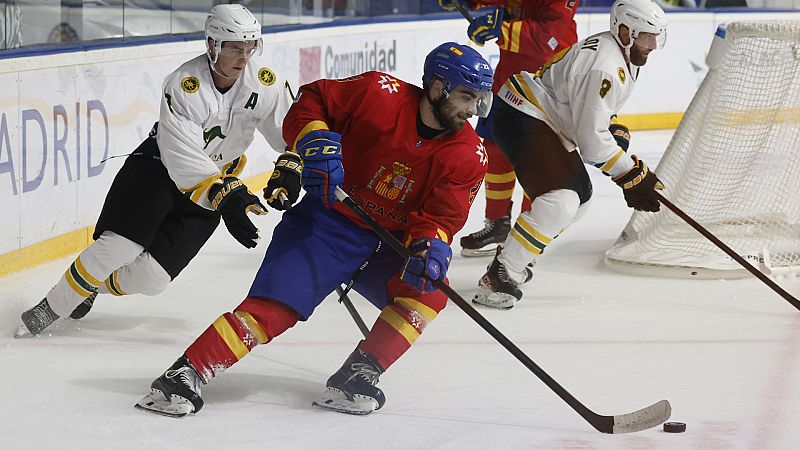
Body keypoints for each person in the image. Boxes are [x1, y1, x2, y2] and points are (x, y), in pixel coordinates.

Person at [134, 42, 494, 417]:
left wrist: (430, 249)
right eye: (466, 97)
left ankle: (358, 375)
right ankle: (186, 373)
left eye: (478, 100)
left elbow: (440, 218)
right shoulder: (377, 93)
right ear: (437, 87)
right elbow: (311, 101)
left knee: (428, 291)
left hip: (388, 242)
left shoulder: (469, 155)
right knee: (274, 309)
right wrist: (314, 140)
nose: (472, 110)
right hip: (329, 223)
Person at [16, 4, 296, 336]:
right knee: (120, 247)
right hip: (157, 170)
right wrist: (224, 194)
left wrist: (292, 163)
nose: (244, 57)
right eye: (235, 48)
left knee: (152, 279)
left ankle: (90, 287)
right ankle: (50, 307)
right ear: (212, 45)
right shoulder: (185, 84)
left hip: (213, 185)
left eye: (250, 47)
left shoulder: (265, 82)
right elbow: (182, 156)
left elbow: (292, 128)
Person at [472, 0, 667, 309]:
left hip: (540, 117)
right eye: (646, 37)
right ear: (625, 31)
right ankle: (501, 273)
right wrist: (630, 174)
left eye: (657, 37)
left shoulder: (616, 52)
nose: (653, 45)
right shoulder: (605, 63)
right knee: (561, 200)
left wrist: (611, 128)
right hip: (524, 113)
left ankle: (514, 255)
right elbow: (591, 143)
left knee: (581, 200)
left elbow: (587, 110)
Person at [439, 0, 578, 258]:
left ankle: (528, 232)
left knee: (536, 162)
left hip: (545, 87)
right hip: (509, 80)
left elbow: (548, 38)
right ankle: (497, 225)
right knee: (495, 151)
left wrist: (502, 30)